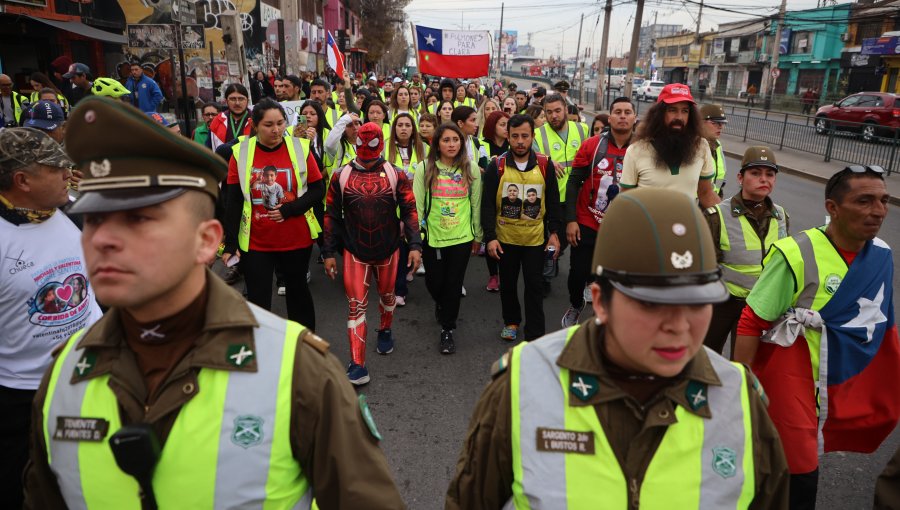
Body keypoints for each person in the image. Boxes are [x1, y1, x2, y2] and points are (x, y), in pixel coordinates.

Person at [23, 96, 405, 509]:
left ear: (204, 240)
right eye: (94, 219)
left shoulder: (298, 372)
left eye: (138, 220)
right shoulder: (63, 375)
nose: (102, 240)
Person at [448, 186, 789, 508]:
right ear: (600, 302)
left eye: (697, 303)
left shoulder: (740, 400)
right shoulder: (523, 384)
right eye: (652, 305)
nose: (679, 326)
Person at [733, 165, 900, 510]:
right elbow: (752, 321)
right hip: (792, 377)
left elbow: (882, 323)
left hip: (837, 377)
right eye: (865, 201)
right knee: (801, 470)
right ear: (832, 208)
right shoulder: (795, 253)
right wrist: (739, 383)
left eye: (883, 201)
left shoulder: (881, 254)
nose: (879, 211)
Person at [0, 128, 102, 509]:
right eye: (56, 167)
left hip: (88, 377)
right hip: (21, 399)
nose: (68, 173)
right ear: (21, 180)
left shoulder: (70, 210)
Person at [322, 122, 422, 385]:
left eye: (372, 142)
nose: (366, 148)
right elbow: (331, 214)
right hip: (355, 250)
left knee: (388, 297)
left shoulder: (395, 173)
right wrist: (329, 251)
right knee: (356, 306)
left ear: (380, 141)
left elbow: (410, 210)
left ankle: (386, 329)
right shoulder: (340, 175)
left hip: (388, 248)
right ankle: (358, 363)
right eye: (362, 142)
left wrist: (414, 246)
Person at [222, 99, 324, 330]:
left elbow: (318, 189)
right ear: (255, 125)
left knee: (298, 294)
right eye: (268, 124)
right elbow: (234, 200)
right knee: (258, 299)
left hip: (295, 238)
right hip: (256, 241)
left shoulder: (299, 148)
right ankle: (263, 350)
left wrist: (290, 210)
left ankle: (304, 348)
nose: (276, 130)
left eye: (280, 123)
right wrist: (230, 244)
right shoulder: (240, 153)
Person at [702, 146, 788, 356]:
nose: (763, 179)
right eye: (756, 173)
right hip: (722, 303)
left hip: (763, 305)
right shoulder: (717, 215)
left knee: (747, 367)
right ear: (741, 178)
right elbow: (705, 267)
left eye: (770, 174)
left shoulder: (781, 216)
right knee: (708, 358)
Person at [482, 114, 561, 342]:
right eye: (514, 136)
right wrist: (490, 238)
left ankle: (535, 332)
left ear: (532, 137)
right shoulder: (496, 166)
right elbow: (487, 206)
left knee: (535, 286)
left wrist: (554, 233)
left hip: (535, 240)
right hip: (505, 238)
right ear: (507, 136)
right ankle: (511, 321)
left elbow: (553, 202)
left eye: (525, 136)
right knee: (507, 284)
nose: (519, 141)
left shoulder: (545, 165)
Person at [561, 96, 636, 328]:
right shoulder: (592, 145)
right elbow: (574, 182)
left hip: (623, 227)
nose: (622, 116)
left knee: (614, 277)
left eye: (627, 112)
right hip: (588, 219)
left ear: (635, 118)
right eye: (618, 112)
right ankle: (575, 304)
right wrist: (571, 220)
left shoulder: (644, 149)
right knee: (577, 274)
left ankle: (608, 317)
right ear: (609, 117)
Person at [413, 123, 482, 355]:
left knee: (453, 285)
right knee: (434, 282)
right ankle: (442, 304)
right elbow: (418, 204)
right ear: (437, 144)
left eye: (455, 140)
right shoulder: (425, 167)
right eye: (446, 140)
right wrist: (416, 236)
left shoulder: (470, 167)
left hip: (462, 237)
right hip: (432, 237)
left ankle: (447, 329)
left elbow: (475, 204)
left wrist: (477, 235)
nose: (451, 144)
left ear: (461, 143)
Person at [620, 84, 721, 209]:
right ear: (659, 114)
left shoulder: (701, 146)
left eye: (685, 111)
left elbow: (706, 194)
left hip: (687, 227)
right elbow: (626, 200)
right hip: (647, 228)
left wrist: (729, 220)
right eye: (672, 110)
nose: (679, 117)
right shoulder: (636, 150)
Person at [533, 93, 589, 295]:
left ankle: (572, 275)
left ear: (566, 109)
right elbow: (532, 159)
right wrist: (545, 161)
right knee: (551, 241)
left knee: (572, 240)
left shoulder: (582, 129)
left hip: (578, 196)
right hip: (552, 198)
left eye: (557, 110)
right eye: (549, 112)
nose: (554, 116)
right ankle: (545, 277)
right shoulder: (538, 134)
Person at [386, 113, 428, 304]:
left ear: (413, 129)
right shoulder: (386, 148)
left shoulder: (424, 149)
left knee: (414, 241)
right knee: (398, 247)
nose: (403, 128)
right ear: (394, 128)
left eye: (408, 125)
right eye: (400, 125)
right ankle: (399, 289)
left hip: (416, 204)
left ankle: (410, 268)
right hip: (391, 205)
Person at [209, 83, 252, 151]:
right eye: (233, 99)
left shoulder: (257, 121)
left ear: (247, 101)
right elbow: (209, 149)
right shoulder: (217, 121)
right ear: (226, 101)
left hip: (246, 161)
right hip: (223, 161)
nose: (237, 103)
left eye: (241, 99)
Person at [700, 103, 728, 197]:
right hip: (697, 202)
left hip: (713, 198)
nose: (720, 126)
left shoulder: (717, 145)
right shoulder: (694, 146)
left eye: (722, 123)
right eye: (715, 123)